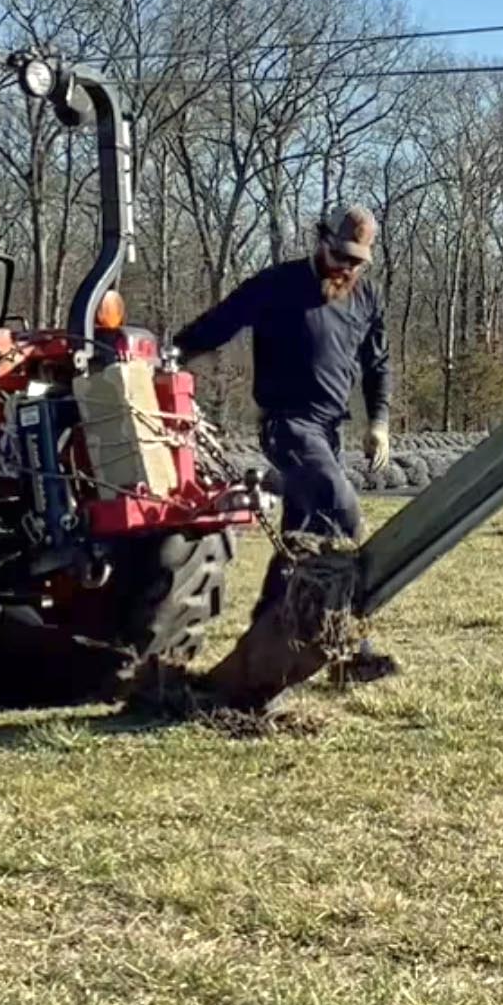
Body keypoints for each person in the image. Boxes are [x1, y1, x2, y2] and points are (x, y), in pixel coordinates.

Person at [171, 202, 398, 679]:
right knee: (343, 510)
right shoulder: (277, 285)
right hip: (288, 424)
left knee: (303, 540)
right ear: (322, 240)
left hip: (329, 429)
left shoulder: (367, 298)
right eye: (341, 255)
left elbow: (377, 365)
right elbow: (223, 320)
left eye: (357, 261)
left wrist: (377, 421)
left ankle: (263, 644)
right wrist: (174, 354)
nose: (347, 267)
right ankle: (351, 645)